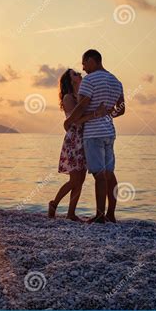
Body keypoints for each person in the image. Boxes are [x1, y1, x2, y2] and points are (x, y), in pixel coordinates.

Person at [64, 50, 125, 223]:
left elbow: (83, 105)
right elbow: (121, 109)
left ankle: (99, 215)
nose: (83, 68)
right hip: (109, 132)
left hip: (93, 133)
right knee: (109, 173)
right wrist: (106, 115)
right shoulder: (116, 81)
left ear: (92, 60)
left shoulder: (89, 81)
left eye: (84, 63)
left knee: (99, 175)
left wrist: (70, 121)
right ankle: (111, 214)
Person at [48, 69, 107, 221]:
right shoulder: (68, 97)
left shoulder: (81, 95)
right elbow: (76, 120)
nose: (79, 75)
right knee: (74, 180)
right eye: (75, 74)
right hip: (74, 140)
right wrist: (96, 114)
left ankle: (71, 213)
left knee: (80, 180)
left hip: (84, 138)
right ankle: (54, 203)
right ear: (70, 80)